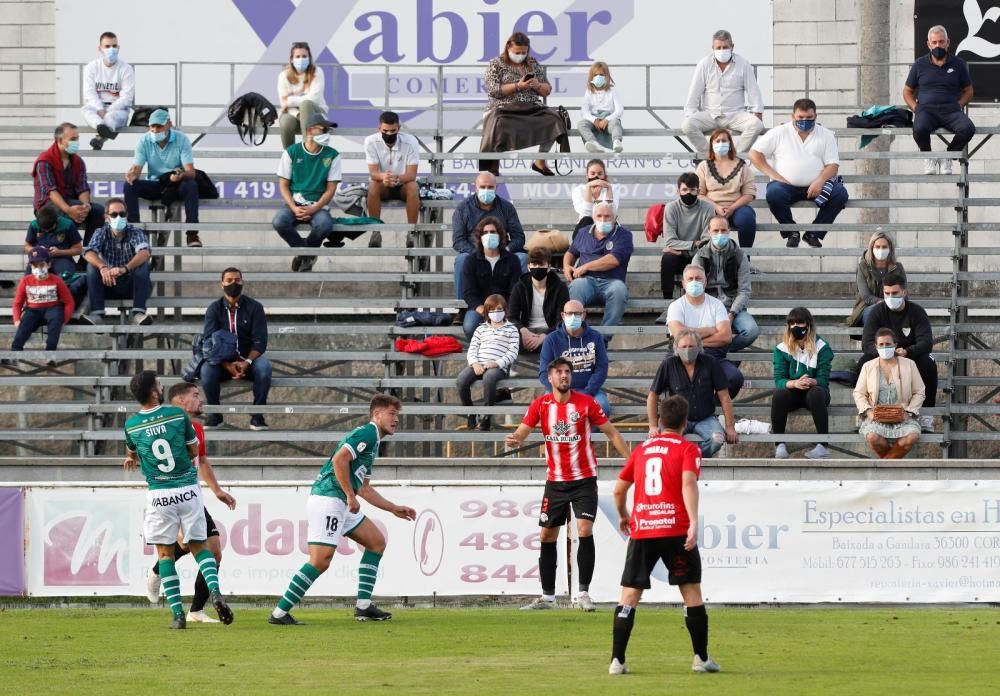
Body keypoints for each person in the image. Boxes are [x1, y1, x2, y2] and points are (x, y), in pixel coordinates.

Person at [269, 394, 416, 625]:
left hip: (340, 501)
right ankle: (279, 613)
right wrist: (349, 495)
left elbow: (365, 489)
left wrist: (393, 508)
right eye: (392, 414)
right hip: (329, 498)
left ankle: (364, 606)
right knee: (320, 561)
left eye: (397, 415)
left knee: (376, 542)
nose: (396, 419)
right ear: (377, 414)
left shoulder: (374, 441)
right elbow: (339, 460)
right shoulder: (367, 433)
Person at [506, 357, 631, 612]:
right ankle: (547, 597)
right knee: (547, 534)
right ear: (549, 377)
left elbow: (611, 432)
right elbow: (522, 430)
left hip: (584, 478)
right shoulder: (541, 405)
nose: (564, 376)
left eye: (567, 372)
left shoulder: (585, 403)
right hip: (555, 481)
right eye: (559, 372)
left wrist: (632, 463)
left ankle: (583, 593)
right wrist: (515, 438)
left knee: (584, 530)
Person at [610, 395, 719, 676]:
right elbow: (688, 484)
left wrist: (624, 515)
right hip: (675, 529)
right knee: (691, 592)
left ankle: (617, 661)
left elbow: (619, 491)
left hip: (644, 528)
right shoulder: (688, 449)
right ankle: (701, 658)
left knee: (629, 595)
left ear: (659, 421)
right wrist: (694, 522)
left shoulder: (642, 450)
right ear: (685, 423)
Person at [123, 370, 233, 630]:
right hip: (187, 489)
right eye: (159, 385)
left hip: (159, 494)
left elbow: (133, 453)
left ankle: (178, 615)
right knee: (201, 548)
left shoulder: (131, 425)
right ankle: (215, 592)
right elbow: (194, 452)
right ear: (153, 392)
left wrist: (132, 459)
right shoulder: (177, 416)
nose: (162, 387)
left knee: (165, 553)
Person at [749, 98, 848, 248]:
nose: (804, 120)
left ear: (815, 116)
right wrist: (775, 176)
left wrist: (820, 181)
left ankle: (814, 233)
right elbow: (754, 154)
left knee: (840, 194)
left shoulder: (826, 134)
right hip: (785, 186)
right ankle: (791, 232)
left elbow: (833, 165)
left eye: (809, 117)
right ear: (793, 116)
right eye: (800, 117)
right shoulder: (779, 132)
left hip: (817, 185)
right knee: (773, 193)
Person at [480, 31, 564, 177]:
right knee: (496, 124)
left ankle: (540, 161)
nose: (520, 55)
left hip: (530, 108)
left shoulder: (532, 63)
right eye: (516, 52)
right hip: (504, 108)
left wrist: (537, 85)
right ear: (508, 48)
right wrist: (517, 86)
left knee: (555, 119)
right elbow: (493, 90)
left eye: (523, 52)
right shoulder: (496, 64)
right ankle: (492, 168)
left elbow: (547, 90)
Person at [860, 271, 936, 432]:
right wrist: (883, 352)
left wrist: (908, 352)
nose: (890, 297)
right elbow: (867, 343)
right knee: (863, 362)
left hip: (910, 358)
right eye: (887, 293)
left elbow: (926, 341)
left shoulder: (916, 311)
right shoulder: (877, 311)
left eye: (895, 293)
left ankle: (927, 416)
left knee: (928, 362)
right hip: (883, 356)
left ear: (904, 292)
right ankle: (865, 413)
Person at [199, 268, 272, 431]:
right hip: (222, 363)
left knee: (265, 367)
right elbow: (209, 343)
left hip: (249, 361)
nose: (234, 283)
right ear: (222, 284)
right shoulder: (214, 309)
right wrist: (228, 365)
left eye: (237, 280)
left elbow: (260, 341)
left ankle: (257, 416)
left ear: (242, 282)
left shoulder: (255, 307)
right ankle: (215, 415)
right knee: (206, 371)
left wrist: (247, 362)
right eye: (229, 280)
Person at [647, 329, 736, 459]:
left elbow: (724, 397)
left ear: (699, 347)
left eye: (691, 346)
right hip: (677, 418)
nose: (688, 350)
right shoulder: (668, 365)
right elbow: (652, 396)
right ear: (676, 347)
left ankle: (692, 458)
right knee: (662, 441)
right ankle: (678, 462)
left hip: (705, 418)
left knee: (717, 439)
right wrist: (653, 425)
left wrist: (730, 427)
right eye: (684, 346)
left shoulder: (711, 363)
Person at [274, 113, 344, 273]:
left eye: (328, 130)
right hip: (295, 203)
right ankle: (306, 254)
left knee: (325, 225)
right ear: (310, 130)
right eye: (323, 129)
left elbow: (331, 189)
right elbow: (283, 185)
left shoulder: (332, 154)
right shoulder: (292, 152)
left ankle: (303, 254)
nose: (327, 133)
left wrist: (314, 208)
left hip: (319, 206)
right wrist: (293, 207)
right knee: (279, 222)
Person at [124, 109, 202, 247]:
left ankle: (192, 234)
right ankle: (134, 231)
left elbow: (191, 172)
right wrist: (132, 174)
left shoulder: (182, 139)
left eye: (159, 126)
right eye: (152, 126)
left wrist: (181, 175)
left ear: (169, 124)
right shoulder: (144, 140)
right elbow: (137, 167)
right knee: (129, 185)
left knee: (191, 185)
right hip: (156, 183)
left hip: (176, 183)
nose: (155, 130)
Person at [903, 25, 975, 175]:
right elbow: (907, 92)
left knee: (968, 129)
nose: (938, 45)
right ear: (929, 44)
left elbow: (968, 91)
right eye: (934, 42)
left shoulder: (958, 64)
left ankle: (947, 157)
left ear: (948, 42)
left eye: (941, 42)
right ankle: (928, 157)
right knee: (919, 129)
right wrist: (917, 108)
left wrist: (958, 105)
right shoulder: (919, 64)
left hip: (951, 110)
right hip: (926, 111)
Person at [682, 29, 764, 156]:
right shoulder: (704, 64)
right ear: (712, 48)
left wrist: (757, 112)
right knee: (687, 125)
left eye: (725, 47)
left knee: (757, 125)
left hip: (735, 115)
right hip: (710, 114)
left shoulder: (743, 64)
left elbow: (753, 90)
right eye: (718, 47)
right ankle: (709, 156)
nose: (722, 50)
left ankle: (734, 156)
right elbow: (694, 92)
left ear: (732, 46)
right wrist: (691, 114)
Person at [667, 265, 743, 398]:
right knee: (678, 379)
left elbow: (725, 337)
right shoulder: (676, 306)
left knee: (734, 378)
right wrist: (710, 330)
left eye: (698, 278)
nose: (694, 282)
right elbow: (679, 335)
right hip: (682, 355)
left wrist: (691, 338)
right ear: (683, 283)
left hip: (713, 356)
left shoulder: (716, 305)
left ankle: (712, 407)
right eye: (690, 279)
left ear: (705, 282)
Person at [452, 171, 527, 301]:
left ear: (496, 187)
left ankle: (514, 304)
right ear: (475, 187)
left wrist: (506, 251)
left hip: (503, 253)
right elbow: (458, 240)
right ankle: (463, 307)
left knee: (522, 257)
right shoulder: (463, 208)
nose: (486, 190)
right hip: (474, 254)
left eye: (490, 187)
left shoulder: (506, 207)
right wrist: (477, 253)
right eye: (482, 187)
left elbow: (519, 237)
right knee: (461, 260)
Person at [771, 307, 834, 460]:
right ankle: (779, 444)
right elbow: (779, 380)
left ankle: (823, 445)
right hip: (794, 393)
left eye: (800, 323)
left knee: (817, 392)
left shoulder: (822, 347)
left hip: (814, 394)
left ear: (808, 324)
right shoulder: (781, 348)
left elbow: (824, 380)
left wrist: (813, 381)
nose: (795, 327)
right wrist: (794, 383)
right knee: (779, 394)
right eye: (791, 323)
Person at [854, 328, 925, 459]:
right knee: (872, 437)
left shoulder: (909, 364)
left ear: (895, 345)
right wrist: (868, 411)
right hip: (876, 417)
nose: (884, 347)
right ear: (876, 346)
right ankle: (890, 466)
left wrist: (909, 412)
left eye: (888, 344)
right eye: (881, 344)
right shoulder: (868, 366)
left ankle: (884, 466)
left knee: (912, 437)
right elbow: (859, 393)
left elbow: (919, 391)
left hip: (903, 417)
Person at [80, 197, 152, 325]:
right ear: (106, 217)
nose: (118, 218)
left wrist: (124, 268)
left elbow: (144, 253)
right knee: (92, 267)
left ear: (127, 215)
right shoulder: (101, 232)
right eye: (114, 214)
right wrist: (103, 267)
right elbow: (88, 252)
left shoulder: (135, 232)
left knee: (143, 264)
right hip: (109, 284)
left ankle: (138, 314)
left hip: (132, 285)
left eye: (122, 214)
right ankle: (97, 315)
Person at [31, 122, 105, 246]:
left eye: (77, 138)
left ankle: (87, 257)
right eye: (73, 139)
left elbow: (82, 188)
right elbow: (51, 191)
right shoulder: (45, 160)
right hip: (47, 205)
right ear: (59, 140)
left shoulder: (78, 161)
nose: (76, 142)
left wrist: (85, 205)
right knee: (71, 212)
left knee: (98, 211)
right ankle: (59, 253)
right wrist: (68, 210)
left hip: (71, 202)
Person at [692, 216, 759, 353]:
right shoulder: (700, 256)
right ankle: (716, 350)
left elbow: (744, 291)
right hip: (708, 306)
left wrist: (731, 314)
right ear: (709, 232)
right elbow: (695, 288)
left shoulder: (739, 256)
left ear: (729, 231)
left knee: (751, 331)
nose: (720, 234)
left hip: (732, 306)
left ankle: (717, 350)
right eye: (716, 230)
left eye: (723, 230)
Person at [456, 294, 520, 432]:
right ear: (486, 312)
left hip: (498, 368)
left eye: (499, 309)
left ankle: (487, 414)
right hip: (478, 365)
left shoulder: (512, 329)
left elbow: (512, 352)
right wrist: (474, 363)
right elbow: (472, 349)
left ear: (505, 310)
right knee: (461, 380)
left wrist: (497, 363)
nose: (495, 313)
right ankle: (470, 412)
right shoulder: (480, 329)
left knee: (489, 378)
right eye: (491, 310)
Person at [564, 201, 633, 328]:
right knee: (574, 288)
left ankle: (603, 338)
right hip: (586, 281)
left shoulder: (624, 235)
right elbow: (571, 252)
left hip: (612, 281)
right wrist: (566, 266)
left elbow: (613, 260)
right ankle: (578, 334)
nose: (603, 219)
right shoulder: (583, 232)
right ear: (593, 217)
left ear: (615, 218)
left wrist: (585, 267)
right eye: (599, 216)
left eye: (607, 216)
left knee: (620, 291)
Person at [538, 300, 611, 415]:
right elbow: (544, 373)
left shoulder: (596, 337)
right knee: (547, 409)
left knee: (603, 407)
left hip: (589, 391)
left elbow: (601, 368)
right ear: (563, 315)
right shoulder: (551, 339)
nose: (573, 317)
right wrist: (562, 391)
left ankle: (587, 433)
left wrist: (587, 393)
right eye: (569, 313)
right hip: (559, 390)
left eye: (577, 314)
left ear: (584, 315)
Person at [460, 217, 522, 339]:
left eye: (493, 232)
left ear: (500, 235)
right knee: (470, 326)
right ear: (480, 237)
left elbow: (515, 290)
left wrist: (502, 311)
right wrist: (483, 310)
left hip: (505, 308)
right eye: (485, 232)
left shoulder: (512, 260)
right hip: (480, 307)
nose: (489, 235)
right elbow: (469, 293)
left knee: (514, 329)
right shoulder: (471, 261)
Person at [8, 247, 74, 359]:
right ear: (31, 266)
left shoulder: (57, 280)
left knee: (56, 319)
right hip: (33, 310)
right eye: (35, 266)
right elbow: (18, 303)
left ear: (48, 264)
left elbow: (69, 302)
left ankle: (50, 353)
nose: (38, 268)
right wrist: (16, 319)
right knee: (25, 323)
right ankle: (15, 353)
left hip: (52, 308)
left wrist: (64, 319)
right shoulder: (25, 281)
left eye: (41, 265)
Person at [696, 128, 757, 249]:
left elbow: (749, 194)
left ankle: (745, 259)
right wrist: (717, 207)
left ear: (730, 144)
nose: (720, 143)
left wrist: (732, 208)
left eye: (724, 140)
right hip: (710, 209)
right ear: (712, 145)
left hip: (737, 208)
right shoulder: (703, 166)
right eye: (717, 141)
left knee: (747, 218)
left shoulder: (742, 166)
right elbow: (699, 194)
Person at [661, 172, 714, 300]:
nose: (688, 193)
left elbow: (706, 241)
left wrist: (684, 250)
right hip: (679, 255)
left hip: (699, 254)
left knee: (709, 257)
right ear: (678, 190)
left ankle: (706, 300)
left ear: (698, 191)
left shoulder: (708, 208)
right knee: (668, 259)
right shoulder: (671, 208)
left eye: (692, 190)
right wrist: (693, 244)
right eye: (684, 189)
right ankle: (667, 303)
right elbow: (670, 241)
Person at [508, 247, 570, 353]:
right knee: (511, 343)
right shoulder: (519, 287)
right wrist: (523, 331)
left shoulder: (560, 288)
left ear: (549, 267)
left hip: (550, 331)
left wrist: (544, 337)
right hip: (527, 330)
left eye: (541, 265)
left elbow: (561, 320)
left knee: (558, 342)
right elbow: (511, 317)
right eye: (534, 265)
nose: (537, 268)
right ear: (528, 267)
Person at [365, 111, 419, 227]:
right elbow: (373, 174)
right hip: (382, 185)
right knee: (373, 185)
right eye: (385, 131)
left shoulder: (411, 141)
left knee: (413, 186)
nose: (389, 134)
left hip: (403, 186)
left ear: (399, 128)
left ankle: (411, 231)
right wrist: (384, 177)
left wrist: (396, 178)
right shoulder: (370, 141)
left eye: (393, 131)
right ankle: (375, 231)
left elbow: (411, 175)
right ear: (379, 128)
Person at [81, 31, 134, 150]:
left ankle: (100, 136)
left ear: (118, 48)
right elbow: (89, 92)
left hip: (118, 110)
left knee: (110, 117)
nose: (111, 49)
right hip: (97, 108)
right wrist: (100, 109)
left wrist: (108, 110)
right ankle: (102, 129)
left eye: (114, 46)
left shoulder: (126, 69)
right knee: (85, 110)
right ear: (100, 49)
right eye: (107, 46)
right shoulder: (91, 67)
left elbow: (127, 97)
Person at [847, 231, 905, 327]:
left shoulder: (898, 268)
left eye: (884, 247)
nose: (881, 250)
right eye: (877, 247)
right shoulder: (862, 267)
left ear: (890, 248)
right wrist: (883, 303)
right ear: (872, 248)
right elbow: (865, 296)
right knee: (878, 311)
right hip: (867, 309)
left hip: (894, 308)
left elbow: (904, 292)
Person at [277, 41, 328, 150]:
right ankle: (290, 156)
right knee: (285, 122)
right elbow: (283, 104)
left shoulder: (317, 72)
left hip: (316, 113)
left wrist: (290, 101)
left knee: (306, 104)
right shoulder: (284, 76)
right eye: (298, 56)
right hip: (294, 115)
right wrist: (297, 114)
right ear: (291, 59)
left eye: (304, 56)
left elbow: (314, 98)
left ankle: (307, 149)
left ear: (309, 58)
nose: (301, 59)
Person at [24, 203, 82, 277]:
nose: (47, 231)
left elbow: (78, 249)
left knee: (66, 277)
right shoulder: (34, 225)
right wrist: (38, 250)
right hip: (39, 258)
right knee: (29, 278)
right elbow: (26, 247)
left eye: (50, 229)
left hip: (62, 258)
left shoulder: (68, 225)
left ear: (57, 220)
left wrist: (60, 252)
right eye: (44, 229)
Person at [577, 61, 624, 153]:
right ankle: (593, 143)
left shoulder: (612, 90)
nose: (598, 77)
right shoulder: (589, 92)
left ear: (607, 76)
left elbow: (619, 110)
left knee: (615, 124)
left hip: (608, 119)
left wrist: (607, 119)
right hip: (594, 119)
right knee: (581, 124)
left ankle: (616, 141)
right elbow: (584, 111)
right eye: (596, 75)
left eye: (601, 74)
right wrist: (594, 120)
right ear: (592, 77)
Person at [571, 159, 620, 238]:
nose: (596, 177)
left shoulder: (613, 188)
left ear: (604, 175)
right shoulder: (578, 190)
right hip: (586, 226)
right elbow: (585, 213)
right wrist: (588, 188)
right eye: (592, 173)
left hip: (605, 225)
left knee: (608, 220)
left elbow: (611, 211)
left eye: (600, 174)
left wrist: (609, 189)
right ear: (587, 175)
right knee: (586, 219)